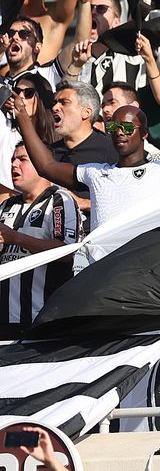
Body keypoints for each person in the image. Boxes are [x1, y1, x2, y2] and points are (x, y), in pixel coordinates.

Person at [16, 101, 160, 231]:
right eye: (113, 128)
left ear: (143, 133)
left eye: (127, 127)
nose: (119, 133)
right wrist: (21, 113)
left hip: (141, 269)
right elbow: (46, 166)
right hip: (100, 268)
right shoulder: (95, 172)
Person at [0, 143, 83, 339]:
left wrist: (15, 238)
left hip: (40, 319)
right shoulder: (5, 206)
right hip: (4, 319)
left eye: (22, 160)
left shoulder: (60, 201)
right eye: (13, 159)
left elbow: (67, 252)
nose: (14, 165)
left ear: (39, 163)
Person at [44, 81, 118, 168]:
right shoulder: (49, 153)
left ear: (86, 113)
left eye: (64, 102)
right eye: (55, 103)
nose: (54, 108)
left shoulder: (111, 150)